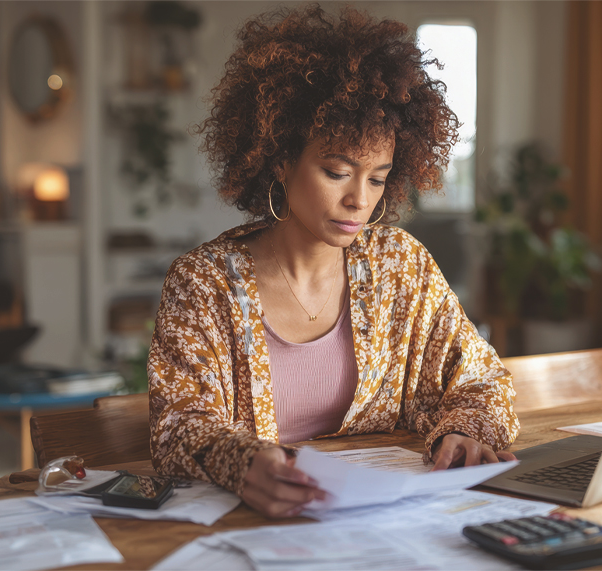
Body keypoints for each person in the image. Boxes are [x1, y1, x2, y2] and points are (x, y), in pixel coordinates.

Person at [148, 5, 518, 519]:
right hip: (249, 528)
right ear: (280, 158)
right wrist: (241, 462)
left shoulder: (401, 266)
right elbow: (178, 425)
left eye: (378, 177)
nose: (359, 201)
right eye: (336, 171)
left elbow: (481, 381)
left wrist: (463, 429)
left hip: (390, 524)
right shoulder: (203, 283)